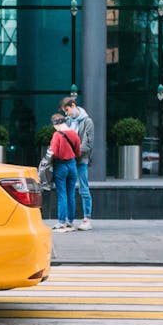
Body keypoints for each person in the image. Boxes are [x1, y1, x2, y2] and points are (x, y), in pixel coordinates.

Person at [60, 96, 94, 230]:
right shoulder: (67, 121)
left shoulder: (87, 122)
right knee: (69, 189)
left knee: (83, 188)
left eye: (67, 110)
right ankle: (69, 220)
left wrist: (74, 153)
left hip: (80, 160)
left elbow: (89, 144)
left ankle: (87, 219)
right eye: (64, 111)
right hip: (68, 160)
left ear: (73, 105)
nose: (66, 113)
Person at [46, 112, 81, 233]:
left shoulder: (57, 135)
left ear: (56, 124)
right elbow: (78, 151)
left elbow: (53, 152)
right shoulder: (74, 134)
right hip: (72, 165)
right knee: (71, 194)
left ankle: (61, 222)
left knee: (62, 194)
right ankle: (70, 222)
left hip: (60, 166)